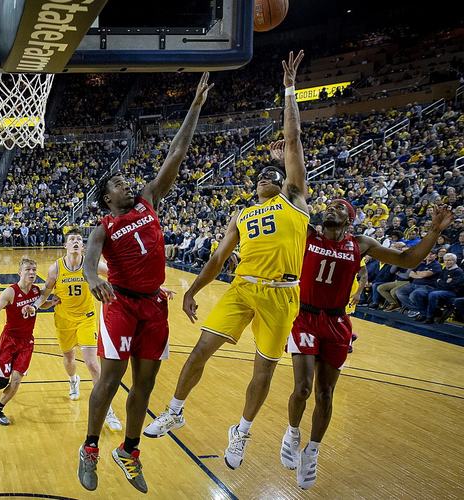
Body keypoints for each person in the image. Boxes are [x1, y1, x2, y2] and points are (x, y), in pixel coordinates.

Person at [143, 52, 310, 471]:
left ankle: (242, 431)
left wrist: (289, 89)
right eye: (261, 176)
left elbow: (292, 142)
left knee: (263, 372)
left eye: (272, 175)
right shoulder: (242, 214)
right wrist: (193, 292)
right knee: (200, 349)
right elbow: (218, 257)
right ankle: (176, 410)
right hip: (243, 286)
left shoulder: (295, 199)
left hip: (283, 295)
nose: (264, 178)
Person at [77, 72, 214, 494]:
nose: (127, 183)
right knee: (109, 379)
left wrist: (194, 107)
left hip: (155, 306)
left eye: (126, 180)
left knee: (146, 383)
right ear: (107, 199)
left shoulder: (150, 199)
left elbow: (178, 151)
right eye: (118, 184)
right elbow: (88, 262)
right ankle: (90, 447)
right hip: (121, 306)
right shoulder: (103, 225)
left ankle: (129, 451)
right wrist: (91, 280)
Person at [280, 201, 452, 489]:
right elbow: (295, 193)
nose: (331, 209)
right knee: (302, 388)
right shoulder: (308, 234)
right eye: (329, 206)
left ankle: (312, 451)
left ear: (350, 218)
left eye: (339, 207)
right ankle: (292, 431)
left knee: (324, 394)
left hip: (337, 324)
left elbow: (408, 260)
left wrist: (434, 231)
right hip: (306, 318)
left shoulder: (361, 244)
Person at [33, 227, 123, 431]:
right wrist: (34, 307)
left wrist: (151, 288)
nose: (75, 241)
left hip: (87, 318)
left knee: (92, 363)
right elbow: (45, 291)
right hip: (64, 320)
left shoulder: (91, 264)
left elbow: (117, 275)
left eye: (79, 239)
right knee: (69, 358)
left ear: (83, 246)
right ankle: (73, 380)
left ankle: (107, 411)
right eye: (71, 239)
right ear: (65, 245)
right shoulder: (56, 268)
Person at [0, 257, 58, 425]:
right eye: (28, 269)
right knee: (0, 383)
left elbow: (41, 305)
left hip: (27, 342)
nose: (32, 272)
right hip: (9, 341)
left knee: (17, 379)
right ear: (20, 272)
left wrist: (52, 302)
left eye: (34, 269)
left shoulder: (36, 292)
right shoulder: (10, 292)